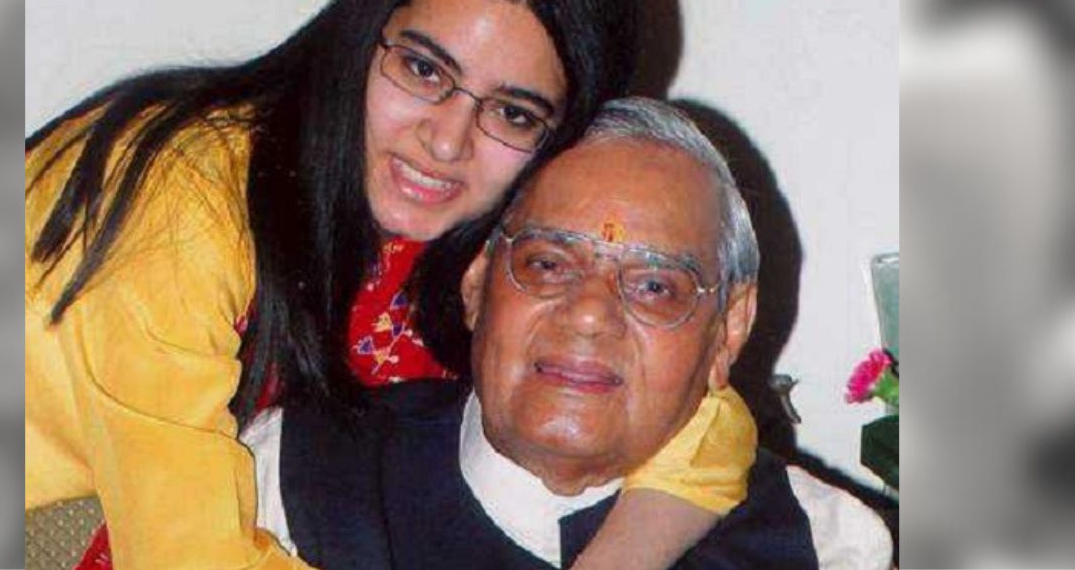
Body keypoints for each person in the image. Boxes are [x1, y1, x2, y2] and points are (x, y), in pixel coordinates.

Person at [25, 0, 756, 568]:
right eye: (423, 69)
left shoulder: (456, 248)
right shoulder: (184, 195)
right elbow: (189, 555)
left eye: (513, 113)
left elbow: (702, 413)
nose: (446, 141)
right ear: (362, 33)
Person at [243, 97, 817, 568]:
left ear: (729, 329)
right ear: (476, 282)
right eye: (546, 264)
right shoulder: (282, 480)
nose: (589, 314)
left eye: (654, 286)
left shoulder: (821, 544)